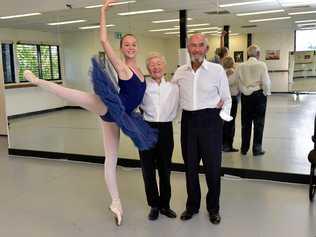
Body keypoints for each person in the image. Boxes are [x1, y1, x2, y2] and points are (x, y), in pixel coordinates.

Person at [23, 0, 156, 226]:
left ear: (137, 47)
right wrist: (103, 11)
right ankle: (38, 80)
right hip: (110, 107)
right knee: (73, 95)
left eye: (134, 44)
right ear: (122, 48)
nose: (131, 47)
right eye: (127, 44)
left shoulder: (140, 70)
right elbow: (104, 40)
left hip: (119, 118)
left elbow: (139, 97)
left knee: (110, 160)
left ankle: (116, 204)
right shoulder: (122, 67)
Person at [172, 34, 232, 224]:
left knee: (213, 169)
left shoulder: (217, 70)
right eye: (193, 46)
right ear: (188, 48)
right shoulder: (180, 72)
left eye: (200, 46)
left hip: (211, 121)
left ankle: (213, 208)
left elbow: (227, 98)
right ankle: (192, 206)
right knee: (190, 168)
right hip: (189, 121)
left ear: (206, 49)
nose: (196, 49)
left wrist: (219, 119)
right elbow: (171, 97)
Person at [139, 52, 179, 221]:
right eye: (152, 65)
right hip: (146, 128)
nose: (156, 67)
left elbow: (179, 107)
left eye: (159, 64)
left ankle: (165, 205)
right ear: (148, 68)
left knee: (165, 169)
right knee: (148, 170)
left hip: (165, 130)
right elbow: (134, 105)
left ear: (164, 67)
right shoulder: (142, 87)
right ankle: (154, 205)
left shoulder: (173, 88)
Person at [235, 44, 271, 156]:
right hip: (259, 96)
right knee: (259, 123)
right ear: (258, 54)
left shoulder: (240, 66)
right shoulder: (261, 65)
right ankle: (257, 149)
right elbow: (265, 82)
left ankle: (244, 148)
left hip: (246, 97)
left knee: (245, 123)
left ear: (247, 54)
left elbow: (238, 82)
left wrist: (245, 91)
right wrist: (266, 92)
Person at [222, 56, 239, 152]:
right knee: (230, 123)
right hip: (232, 99)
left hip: (223, 100)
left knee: (223, 122)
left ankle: (221, 143)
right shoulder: (234, 73)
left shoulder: (220, 73)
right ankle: (227, 145)